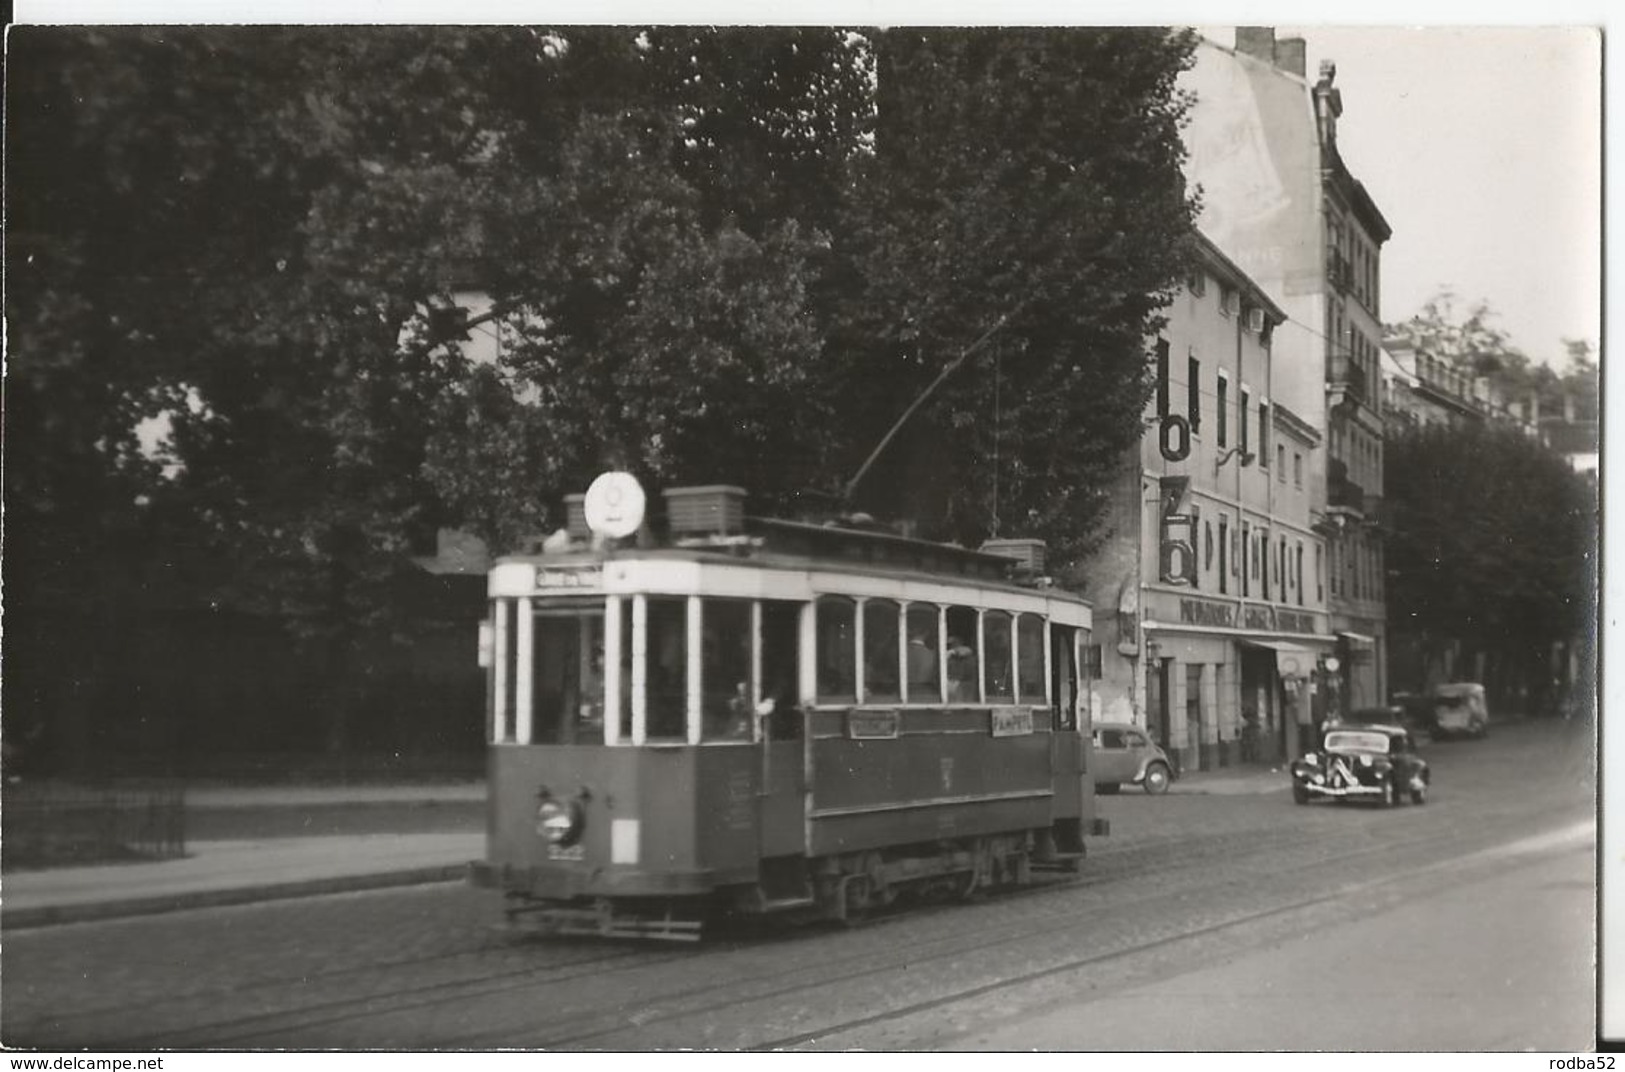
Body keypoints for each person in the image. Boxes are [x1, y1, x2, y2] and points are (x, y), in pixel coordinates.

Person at [907, 629, 938, 696]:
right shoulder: (931, 654)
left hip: (902, 692)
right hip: (925, 692)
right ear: (926, 634)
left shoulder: (898, 653)